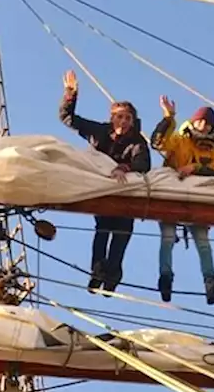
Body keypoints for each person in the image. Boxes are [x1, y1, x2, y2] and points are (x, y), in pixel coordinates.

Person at [58, 70, 150, 293]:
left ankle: (113, 275)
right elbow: (68, 119)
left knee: (121, 234)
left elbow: (143, 163)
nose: (123, 121)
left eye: (128, 118)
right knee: (102, 230)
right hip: (105, 189)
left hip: (127, 195)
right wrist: (71, 95)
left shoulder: (137, 141)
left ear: (132, 121)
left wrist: (124, 167)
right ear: (112, 118)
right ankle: (97, 271)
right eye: (119, 116)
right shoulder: (99, 132)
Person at [150, 97, 214, 305]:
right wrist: (169, 117)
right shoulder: (180, 139)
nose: (205, 125)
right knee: (167, 238)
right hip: (173, 195)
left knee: (203, 244)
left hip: (198, 201)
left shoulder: (211, 150)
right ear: (193, 122)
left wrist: (196, 168)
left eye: (209, 123)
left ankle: (210, 282)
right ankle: (165, 278)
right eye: (201, 121)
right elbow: (159, 142)